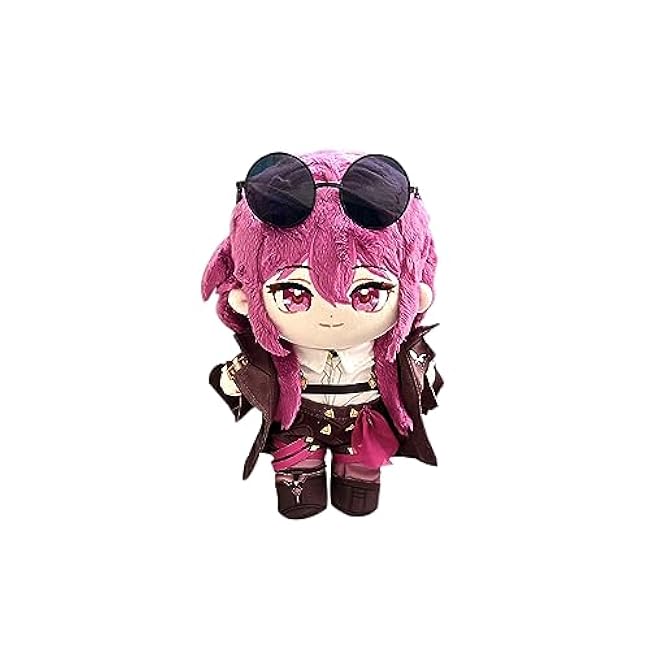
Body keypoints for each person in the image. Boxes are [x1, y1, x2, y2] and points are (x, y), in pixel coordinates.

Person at [201, 150, 443, 518]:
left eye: (367, 293)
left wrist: (422, 377)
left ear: (414, 292)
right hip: (298, 423)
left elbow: (420, 375)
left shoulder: (391, 352)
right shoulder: (275, 351)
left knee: (360, 486)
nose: (331, 315)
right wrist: (235, 379)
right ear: (246, 297)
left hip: (363, 425)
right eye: (294, 294)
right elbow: (243, 374)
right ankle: (301, 481)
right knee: (298, 484)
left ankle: (355, 480)